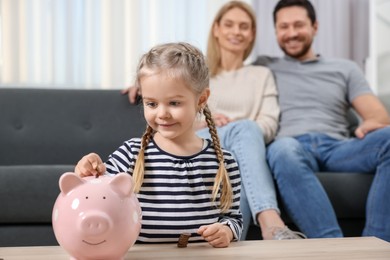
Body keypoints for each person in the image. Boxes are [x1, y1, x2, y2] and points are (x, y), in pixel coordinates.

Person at [124, 1, 305, 240]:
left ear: (252, 34)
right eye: (229, 24)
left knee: (244, 136)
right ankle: (270, 221)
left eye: (244, 26)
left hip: (244, 143)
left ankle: (231, 237)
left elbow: (269, 124)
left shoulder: (261, 74)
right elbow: (170, 99)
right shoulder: (192, 72)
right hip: (199, 136)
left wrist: (234, 127)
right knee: (244, 131)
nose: (236, 31)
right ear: (216, 29)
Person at [75, 42, 243, 247]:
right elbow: (96, 195)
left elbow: (234, 218)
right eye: (152, 104)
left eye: (174, 103)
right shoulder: (130, 153)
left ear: (201, 99)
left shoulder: (224, 162)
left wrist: (226, 231)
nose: (162, 113)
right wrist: (88, 171)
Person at [254, 0, 390, 241]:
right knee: (282, 150)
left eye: (299, 25)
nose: (292, 33)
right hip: (290, 146)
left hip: (338, 147)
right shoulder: (263, 68)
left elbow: (379, 116)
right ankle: (333, 248)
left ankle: (376, 245)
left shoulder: (345, 68)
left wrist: (371, 123)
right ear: (275, 31)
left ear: (314, 27)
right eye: (284, 27)